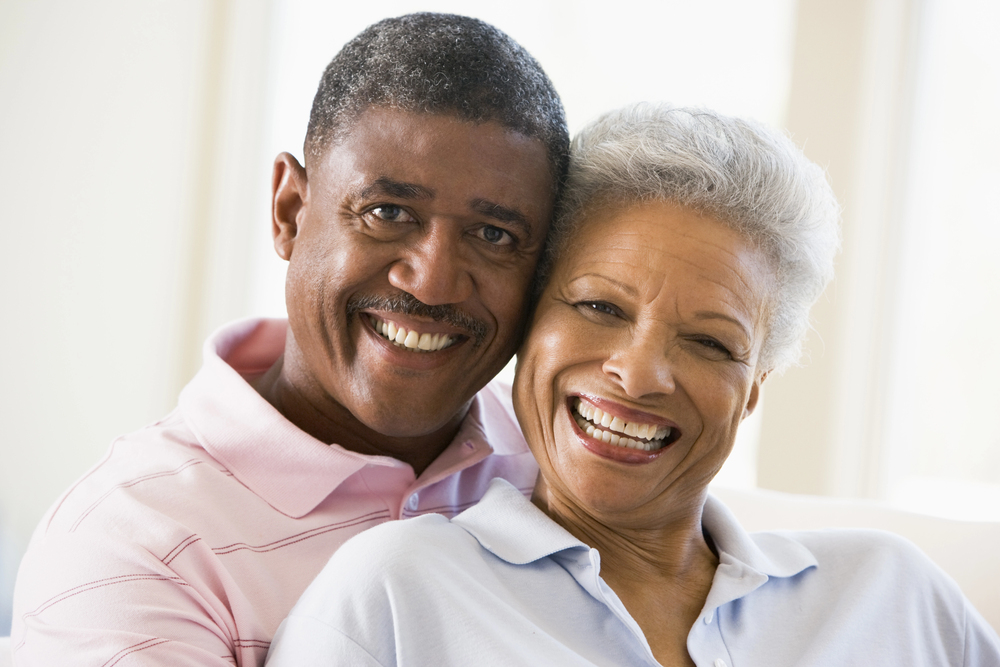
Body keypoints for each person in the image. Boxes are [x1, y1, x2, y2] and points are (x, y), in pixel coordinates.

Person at [265, 103, 1000, 666]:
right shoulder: (395, 592)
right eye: (599, 307)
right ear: (528, 327)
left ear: (752, 388)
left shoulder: (895, 593)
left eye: (711, 342)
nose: (641, 372)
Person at [10, 13, 568, 666]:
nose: (435, 281)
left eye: (493, 234)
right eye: (387, 213)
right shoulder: (131, 540)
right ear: (289, 210)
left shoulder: (557, 465)